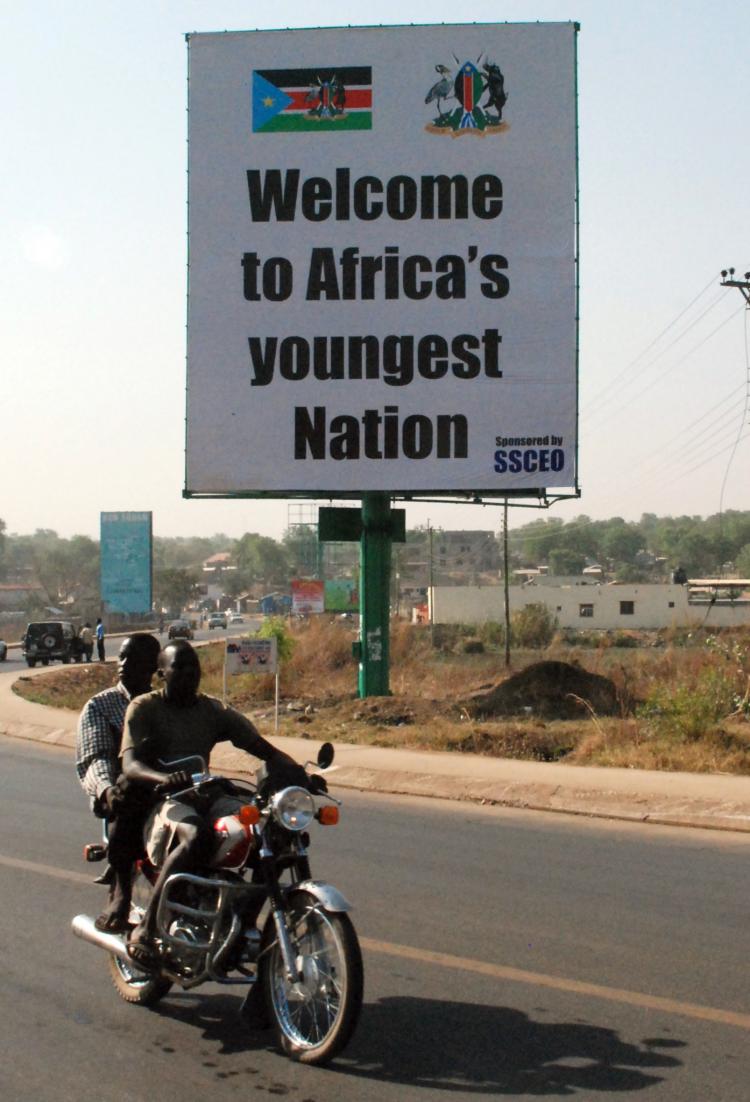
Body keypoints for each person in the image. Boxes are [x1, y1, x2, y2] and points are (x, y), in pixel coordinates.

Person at [120, 639, 308, 969]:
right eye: (180, 668)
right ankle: (147, 929)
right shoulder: (144, 707)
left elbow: (259, 746)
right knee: (198, 836)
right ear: (161, 672)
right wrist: (163, 778)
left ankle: (243, 924)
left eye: (195, 668)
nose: (189, 675)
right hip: (166, 800)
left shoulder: (211, 710)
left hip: (208, 794)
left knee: (270, 835)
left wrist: (298, 772)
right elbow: (130, 765)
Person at [75, 633, 162, 931]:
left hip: (167, 788)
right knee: (130, 794)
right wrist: (106, 790)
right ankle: (121, 896)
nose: (124, 664)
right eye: (122, 657)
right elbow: (95, 758)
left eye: (134, 658)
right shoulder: (101, 706)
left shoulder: (165, 704)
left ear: (155, 666)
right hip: (122, 794)